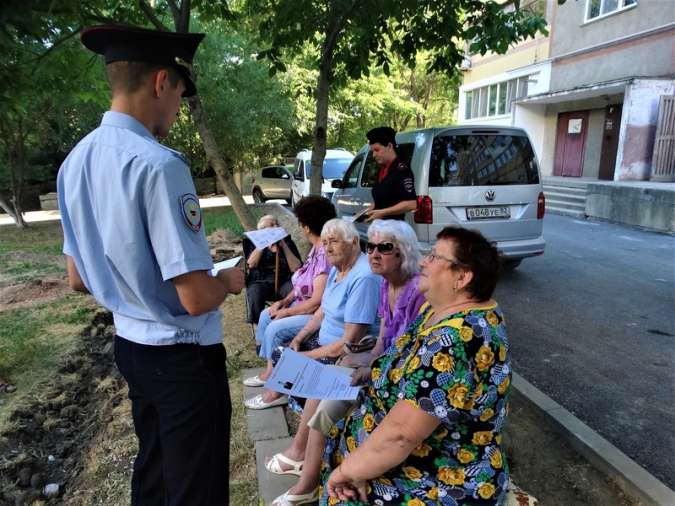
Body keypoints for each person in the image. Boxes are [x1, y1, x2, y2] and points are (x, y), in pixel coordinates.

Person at [57, 25, 244, 506]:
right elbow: (197, 296)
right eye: (180, 94)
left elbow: (78, 278)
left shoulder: (75, 162)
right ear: (161, 82)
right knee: (195, 488)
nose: (178, 109)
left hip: (131, 347)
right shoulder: (160, 165)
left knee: (156, 475)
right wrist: (228, 278)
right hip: (182, 357)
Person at [321, 226, 510, 505]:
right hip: (398, 458)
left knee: (340, 497)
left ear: (462, 277)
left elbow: (400, 435)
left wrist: (348, 471)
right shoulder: (437, 310)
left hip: (439, 477)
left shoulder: (455, 341)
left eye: (434, 256)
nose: (423, 261)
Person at [270, 219, 425, 506]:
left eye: (385, 247)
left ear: (404, 252)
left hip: (397, 379)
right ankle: (306, 470)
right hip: (379, 365)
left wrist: (365, 365)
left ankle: (307, 480)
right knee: (323, 381)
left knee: (327, 395)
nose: (374, 254)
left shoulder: (414, 292)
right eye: (372, 246)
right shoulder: (386, 285)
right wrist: (359, 356)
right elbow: (381, 341)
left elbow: (408, 354)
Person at [246, 219, 381, 412]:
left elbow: (349, 342)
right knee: (283, 351)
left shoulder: (364, 278)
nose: (328, 248)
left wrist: (305, 355)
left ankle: (282, 397)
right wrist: (300, 338)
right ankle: (284, 395)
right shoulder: (338, 269)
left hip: (344, 354)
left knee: (290, 359)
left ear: (353, 241)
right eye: (325, 243)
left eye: (334, 241)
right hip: (326, 342)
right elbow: (321, 311)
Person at [242, 196, 336, 397]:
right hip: (293, 298)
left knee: (275, 327)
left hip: (316, 312)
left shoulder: (323, 254)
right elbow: (301, 282)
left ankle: (274, 383)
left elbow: (317, 301)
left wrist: (287, 311)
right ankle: (271, 369)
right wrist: (284, 302)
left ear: (306, 228)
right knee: (267, 314)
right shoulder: (314, 250)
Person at [244, 214, 301, 326]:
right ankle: (258, 325)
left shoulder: (287, 242)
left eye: (276, 225)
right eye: (271, 226)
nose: (275, 227)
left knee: (295, 290)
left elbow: (296, 267)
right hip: (261, 281)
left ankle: (291, 321)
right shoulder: (253, 243)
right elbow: (251, 264)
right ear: (261, 231)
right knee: (255, 291)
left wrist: (283, 245)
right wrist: (263, 243)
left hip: (284, 281)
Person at [363, 126, 417, 222]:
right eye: (372, 151)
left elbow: (411, 203)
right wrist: (364, 213)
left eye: (377, 150)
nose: (374, 155)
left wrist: (383, 212)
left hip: (394, 228)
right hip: (380, 227)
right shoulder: (382, 169)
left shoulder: (401, 170)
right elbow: (380, 202)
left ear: (389, 146)